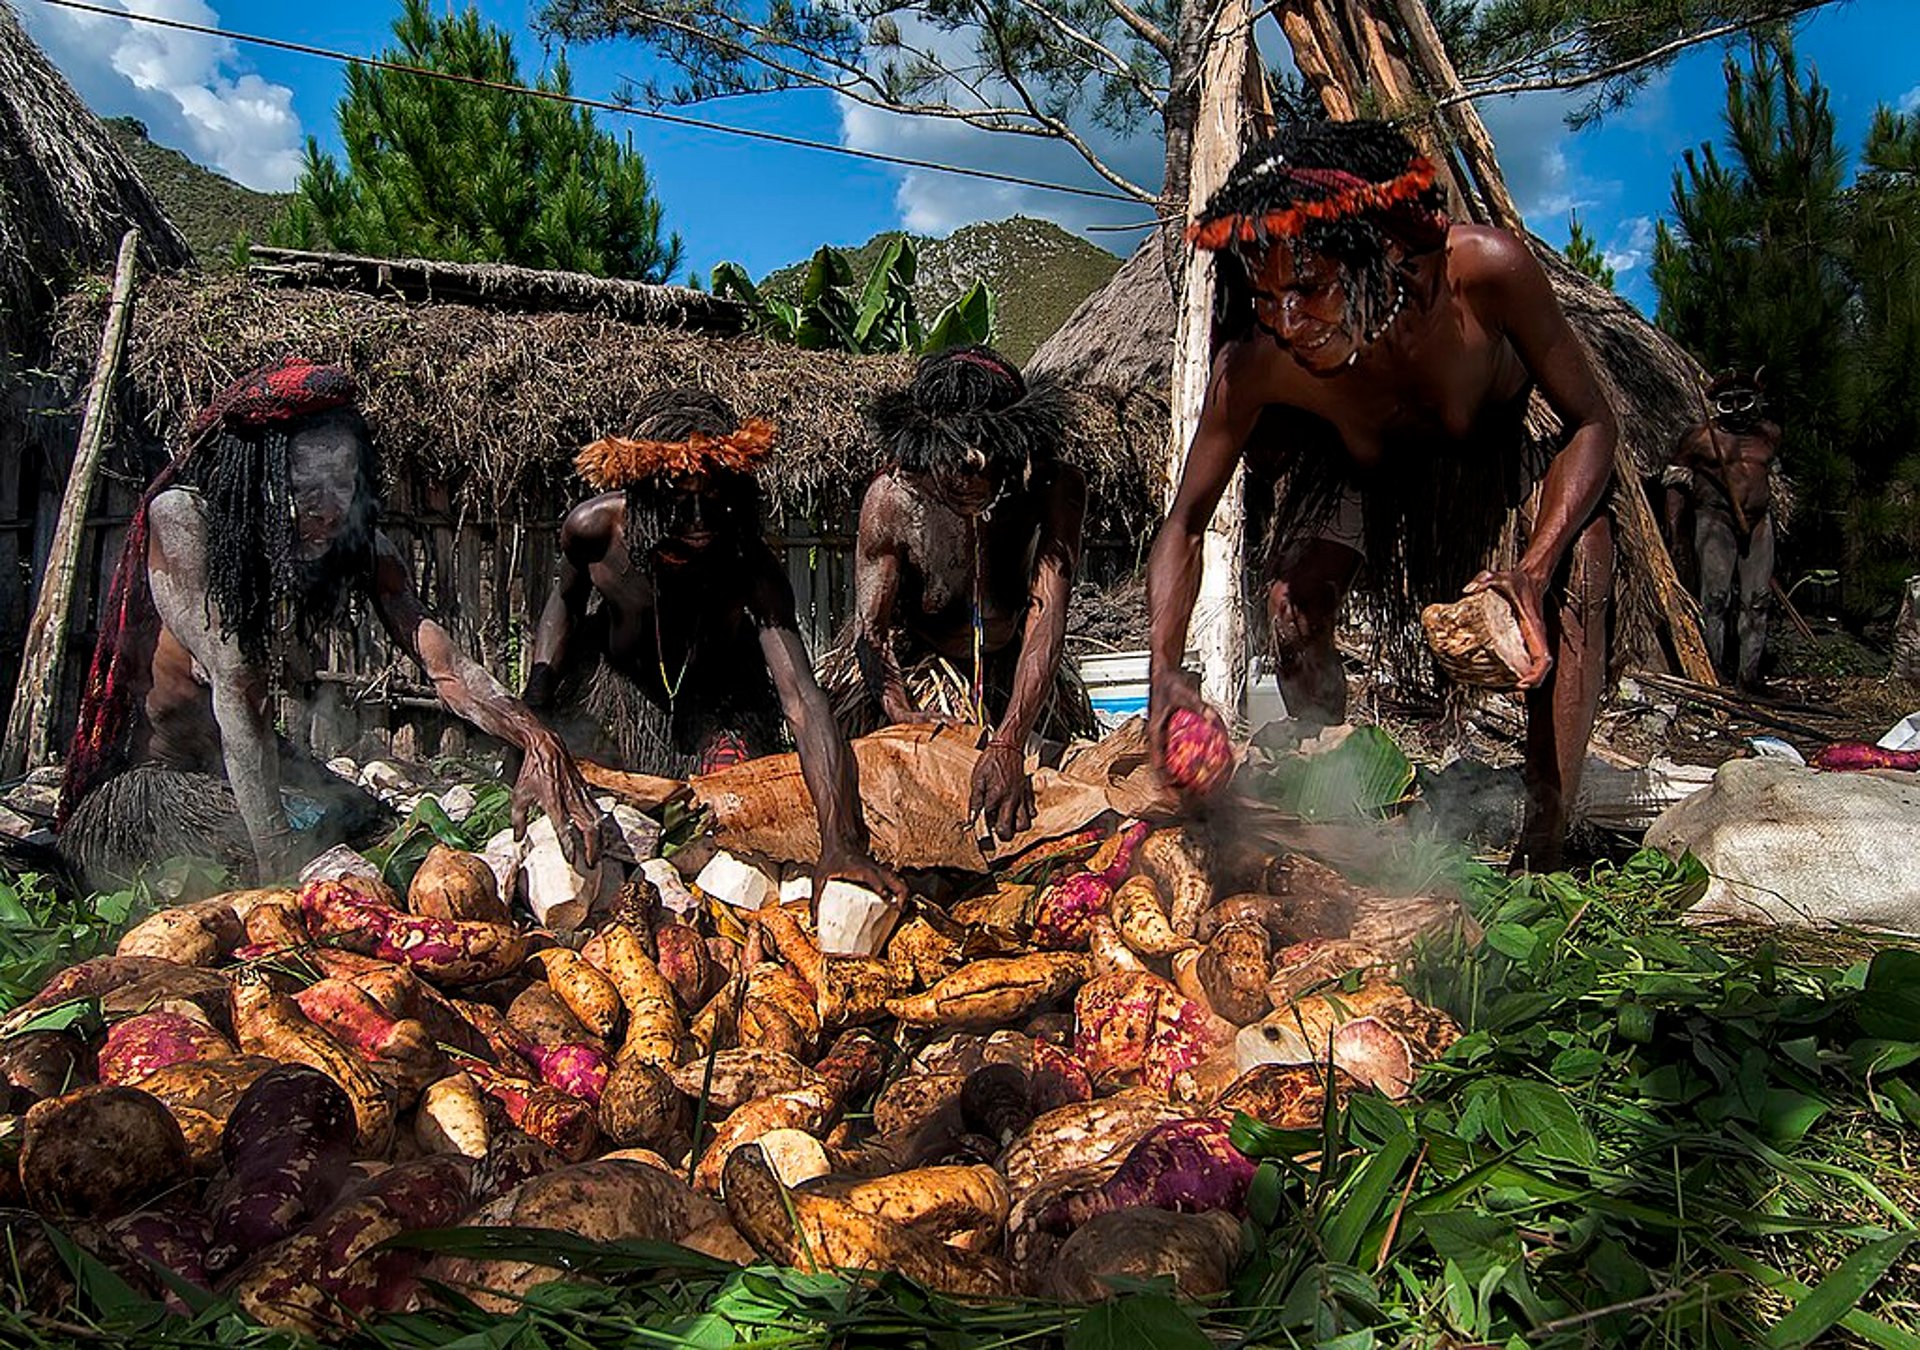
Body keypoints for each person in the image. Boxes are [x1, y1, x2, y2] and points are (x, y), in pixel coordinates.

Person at [1145, 119, 1618, 870]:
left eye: (1308, 287)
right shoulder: (1260, 361)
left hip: (1490, 460)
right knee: (1291, 611)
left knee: (1584, 565)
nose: (1289, 321)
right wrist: (1164, 672)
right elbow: (1185, 524)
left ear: (1384, 253)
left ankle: (1545, 841)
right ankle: (1333, 797)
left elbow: (1593, 423)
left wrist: (1534, 565)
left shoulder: (1484, 274)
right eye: (1267, 298)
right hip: (1362, 467)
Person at [58, 357, 606, 890]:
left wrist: (537, 738)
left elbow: (448, 668)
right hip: (164, 779)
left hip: (251, 767)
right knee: (272, 868)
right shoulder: (184, 519)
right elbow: (235, 677)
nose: (329, 508)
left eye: (342, 482)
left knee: (373, 826)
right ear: (257, 477)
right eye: (304, 487)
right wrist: (276, 859)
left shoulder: (356, 542)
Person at [524, 387, 902, 897]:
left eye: (715, 495)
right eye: (678, 498)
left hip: (721, 699)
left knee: (726, 821)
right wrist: (536, 716)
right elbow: (564, 604)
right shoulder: (592, 531)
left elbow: (802, 701)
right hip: (619, 688)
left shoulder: (749, 563)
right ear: (643, 493)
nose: (700, 518)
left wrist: (840, 844)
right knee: (606, 816)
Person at [824, 345, 1092, 842]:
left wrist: (1011, 741)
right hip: (921, 674)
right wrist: (902, 714)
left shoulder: (1053, 489)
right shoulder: (892, 498)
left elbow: (1046, 611)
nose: (970, 469)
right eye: (952, 453)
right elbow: (872, 633)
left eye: (988, 453)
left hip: (1017, 678)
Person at [1664, 370, 1779, 689]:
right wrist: (1674, 527)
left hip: (1758, 524)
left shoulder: (1768, 435)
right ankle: (1713, 674)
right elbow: (1676, 481)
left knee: (1758, 599)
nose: (1739, 410)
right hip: (1716, 521)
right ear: (1717, 406)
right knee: (1715, 597)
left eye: (1745, 401)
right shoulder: (1699, 438)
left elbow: (1769, 478)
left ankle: (1750, 676)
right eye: (1729, 404)